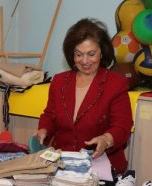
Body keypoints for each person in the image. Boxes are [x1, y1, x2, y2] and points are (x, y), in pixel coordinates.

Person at [35, 18, 132, 173]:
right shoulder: (59, 81)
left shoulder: (116, 84)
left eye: (91, 54)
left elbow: (122, 126)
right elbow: (50, 115)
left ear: (102, 52)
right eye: (78, 54)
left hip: (101, 167)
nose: (85, 61)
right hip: (64, 165)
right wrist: (43, 130)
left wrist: (106, 139)